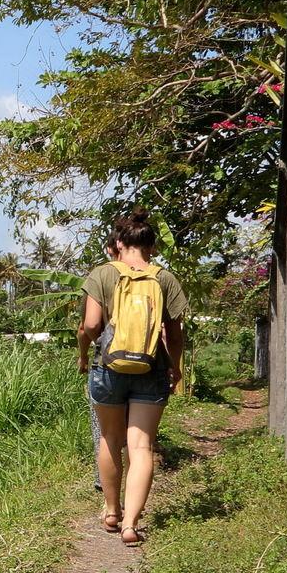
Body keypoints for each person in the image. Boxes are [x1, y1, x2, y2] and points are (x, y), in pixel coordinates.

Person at [76, 208, 187, 547]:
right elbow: (175, 332)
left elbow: (91, 326)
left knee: (110, 438)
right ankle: (130, 525)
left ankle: (111, 511)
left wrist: (83, 352)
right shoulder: (164, 278)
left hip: (108, 368)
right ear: (151, 246)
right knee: (141, 446)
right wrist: (176, 366)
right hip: (151, 368)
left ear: (119, 243)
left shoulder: (103, 274)